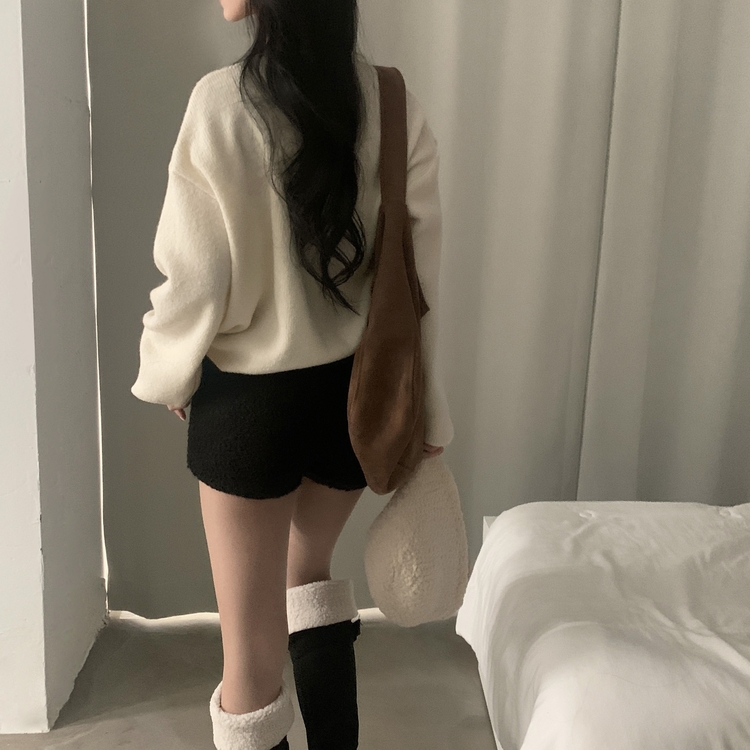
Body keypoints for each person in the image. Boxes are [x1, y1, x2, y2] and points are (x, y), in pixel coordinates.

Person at [130, 1, 454, 748]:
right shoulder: (392, 103)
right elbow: (419, 284)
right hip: (354, 405)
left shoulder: (221, 103)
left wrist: (170, 371)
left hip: (247, 413)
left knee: (249, 663)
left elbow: (194, 279)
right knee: (310, 577)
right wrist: (429, 411)